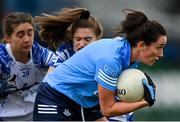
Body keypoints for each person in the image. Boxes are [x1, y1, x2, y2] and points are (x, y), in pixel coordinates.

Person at [33, 9, 167, 121]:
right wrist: (145, 101)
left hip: (83, 100)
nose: (161, 54)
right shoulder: (111, 60)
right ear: (141, 45)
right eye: (159, 47)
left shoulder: (129, 53)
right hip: (54, 97)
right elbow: (108, 109)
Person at [0, 12, 58, 120]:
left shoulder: (38, 52)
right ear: (8, 38)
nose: (27, 39)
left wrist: (48, 80)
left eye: (30, 33)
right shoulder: (2, 58)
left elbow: (59, 64)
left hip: (39, 116)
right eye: (20, 35)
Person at [34, 7, 103, 66]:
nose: (82, 44)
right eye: (78, 39)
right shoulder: (65, 52)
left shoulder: (105, 54)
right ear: (72, 39)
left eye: (87, 39)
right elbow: (50, 78)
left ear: (97, 39)